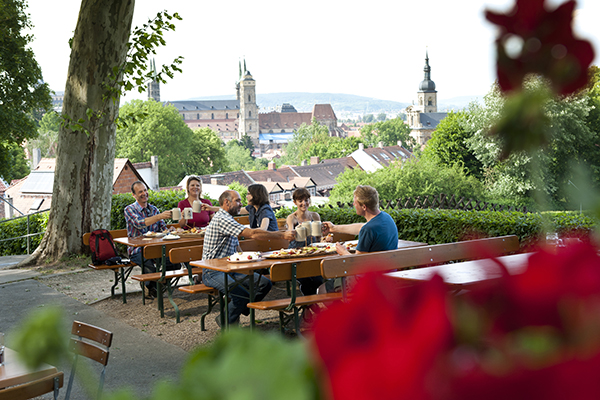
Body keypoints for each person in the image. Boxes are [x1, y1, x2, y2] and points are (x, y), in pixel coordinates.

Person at [201, 190, 296, 325]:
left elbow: (237, 247)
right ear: (226, 202)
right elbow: (253, 234)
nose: (241, 204)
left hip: (230, 269)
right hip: (213, 271)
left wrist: (249, 257)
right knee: (240, 294)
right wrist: (282, 235)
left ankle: (236, 311)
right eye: (238, 201)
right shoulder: (222, 219)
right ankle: (228, 322)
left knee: (264, 284)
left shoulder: (227, 218)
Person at [320, 185, 398, 292]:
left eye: (355, 202)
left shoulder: (368, 229)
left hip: (369, 282)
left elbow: (357, 264)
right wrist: (334, 228)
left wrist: (343, 252)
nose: (353, 204)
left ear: (364, 207)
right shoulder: (386, 218)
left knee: (322, 289)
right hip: (388, 276)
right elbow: (362, 227)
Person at [124, 181, 178, 298]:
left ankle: (159, 284)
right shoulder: (129, 209)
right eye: (140, 192)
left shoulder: (154, 209)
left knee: (175, 262)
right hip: (137, 250)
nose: (144, 193)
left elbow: (163, 229)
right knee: (150, 267)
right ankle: (150, 286)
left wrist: (171, 230)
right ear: (134, 195)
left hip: (156, 248)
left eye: (145, 190)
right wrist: (160, 216)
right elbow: (140, 224)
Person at [286, 188, 323, 295]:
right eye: (300, 201)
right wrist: (297, 230)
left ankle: (310, 308)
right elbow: (289, 235)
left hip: (313, 254)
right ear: (295, 202)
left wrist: (326, 238)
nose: (304, 203)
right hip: (297, 255)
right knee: (306, 281)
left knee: (318, 280)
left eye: (306, 200)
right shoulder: (292, 218)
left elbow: (319, 239)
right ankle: (311, 307)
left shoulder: (315, 216)